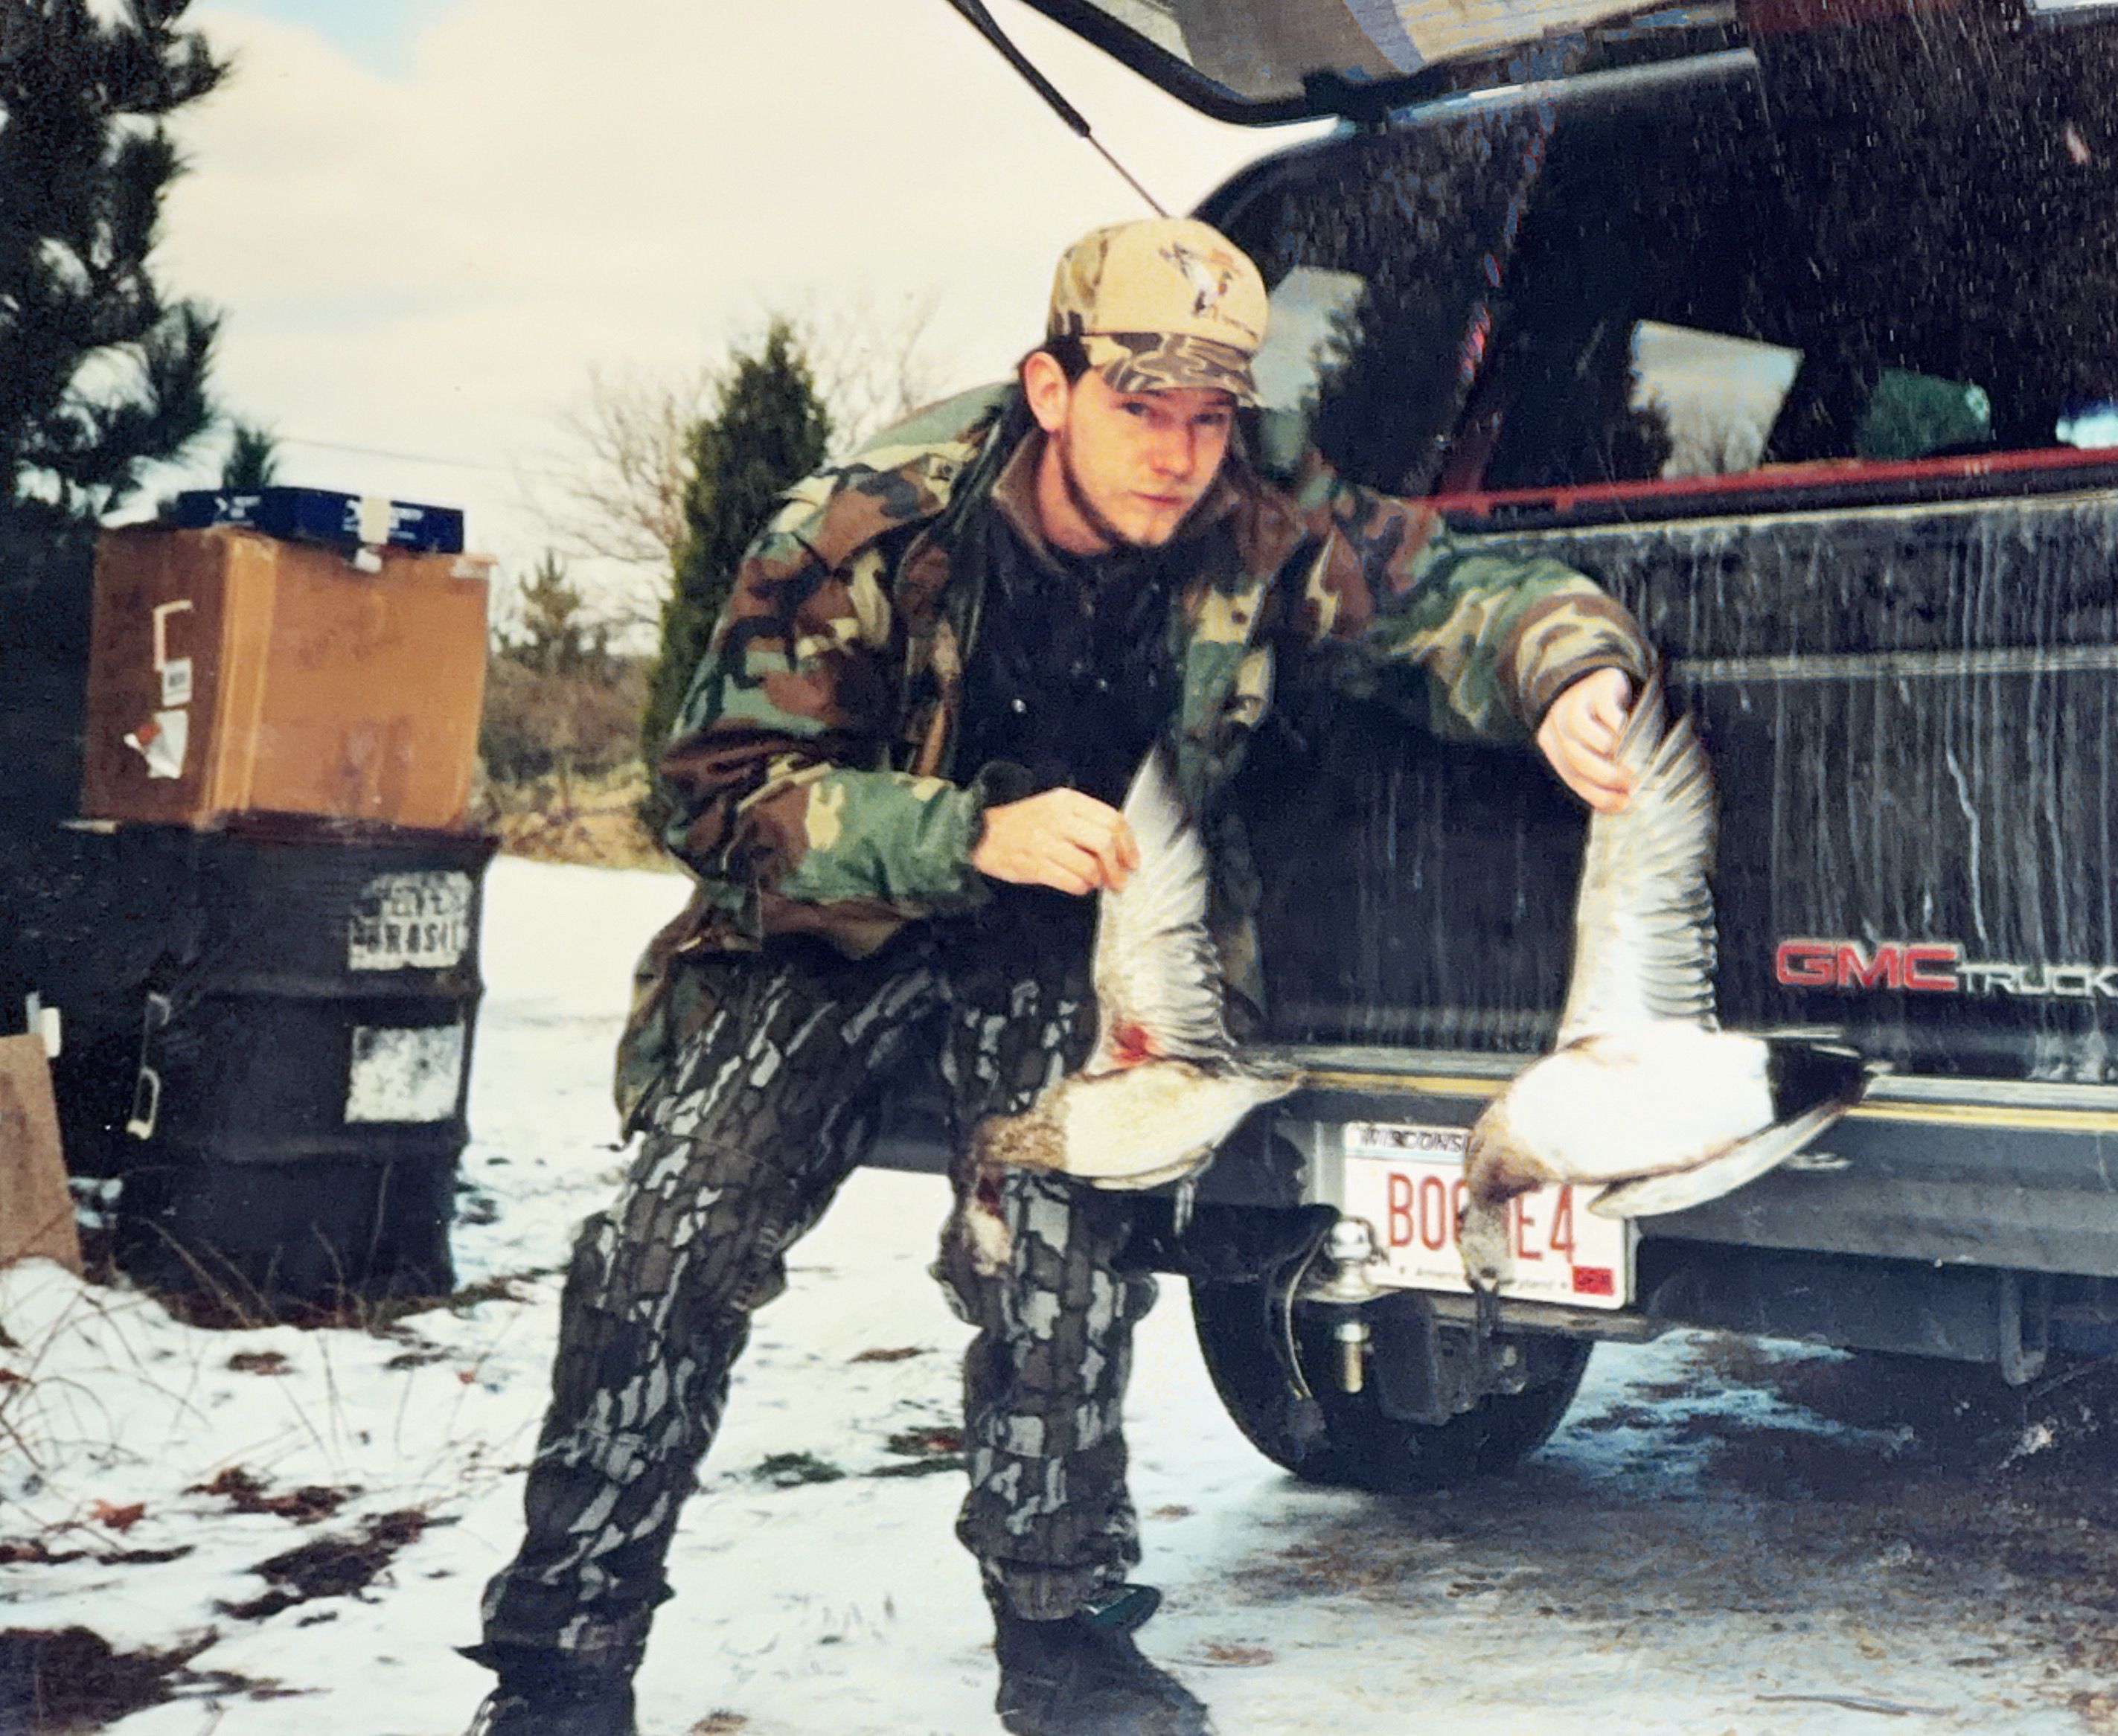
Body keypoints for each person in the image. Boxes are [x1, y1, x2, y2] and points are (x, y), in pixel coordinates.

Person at [461, 217, 1656, 1736]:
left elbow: (1446, 594)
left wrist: (1568, 668)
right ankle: (561, 1662)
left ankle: (1066, 1643)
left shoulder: (1252, 509)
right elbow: (715, 802)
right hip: (834, 927)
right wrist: (967, 831)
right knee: (667, 1246)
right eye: (1137, 410)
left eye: (1206, 417)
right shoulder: (865, 529)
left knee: (1060, 1250)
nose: (1174, 453)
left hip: (1075, 943)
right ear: (1048, 386)